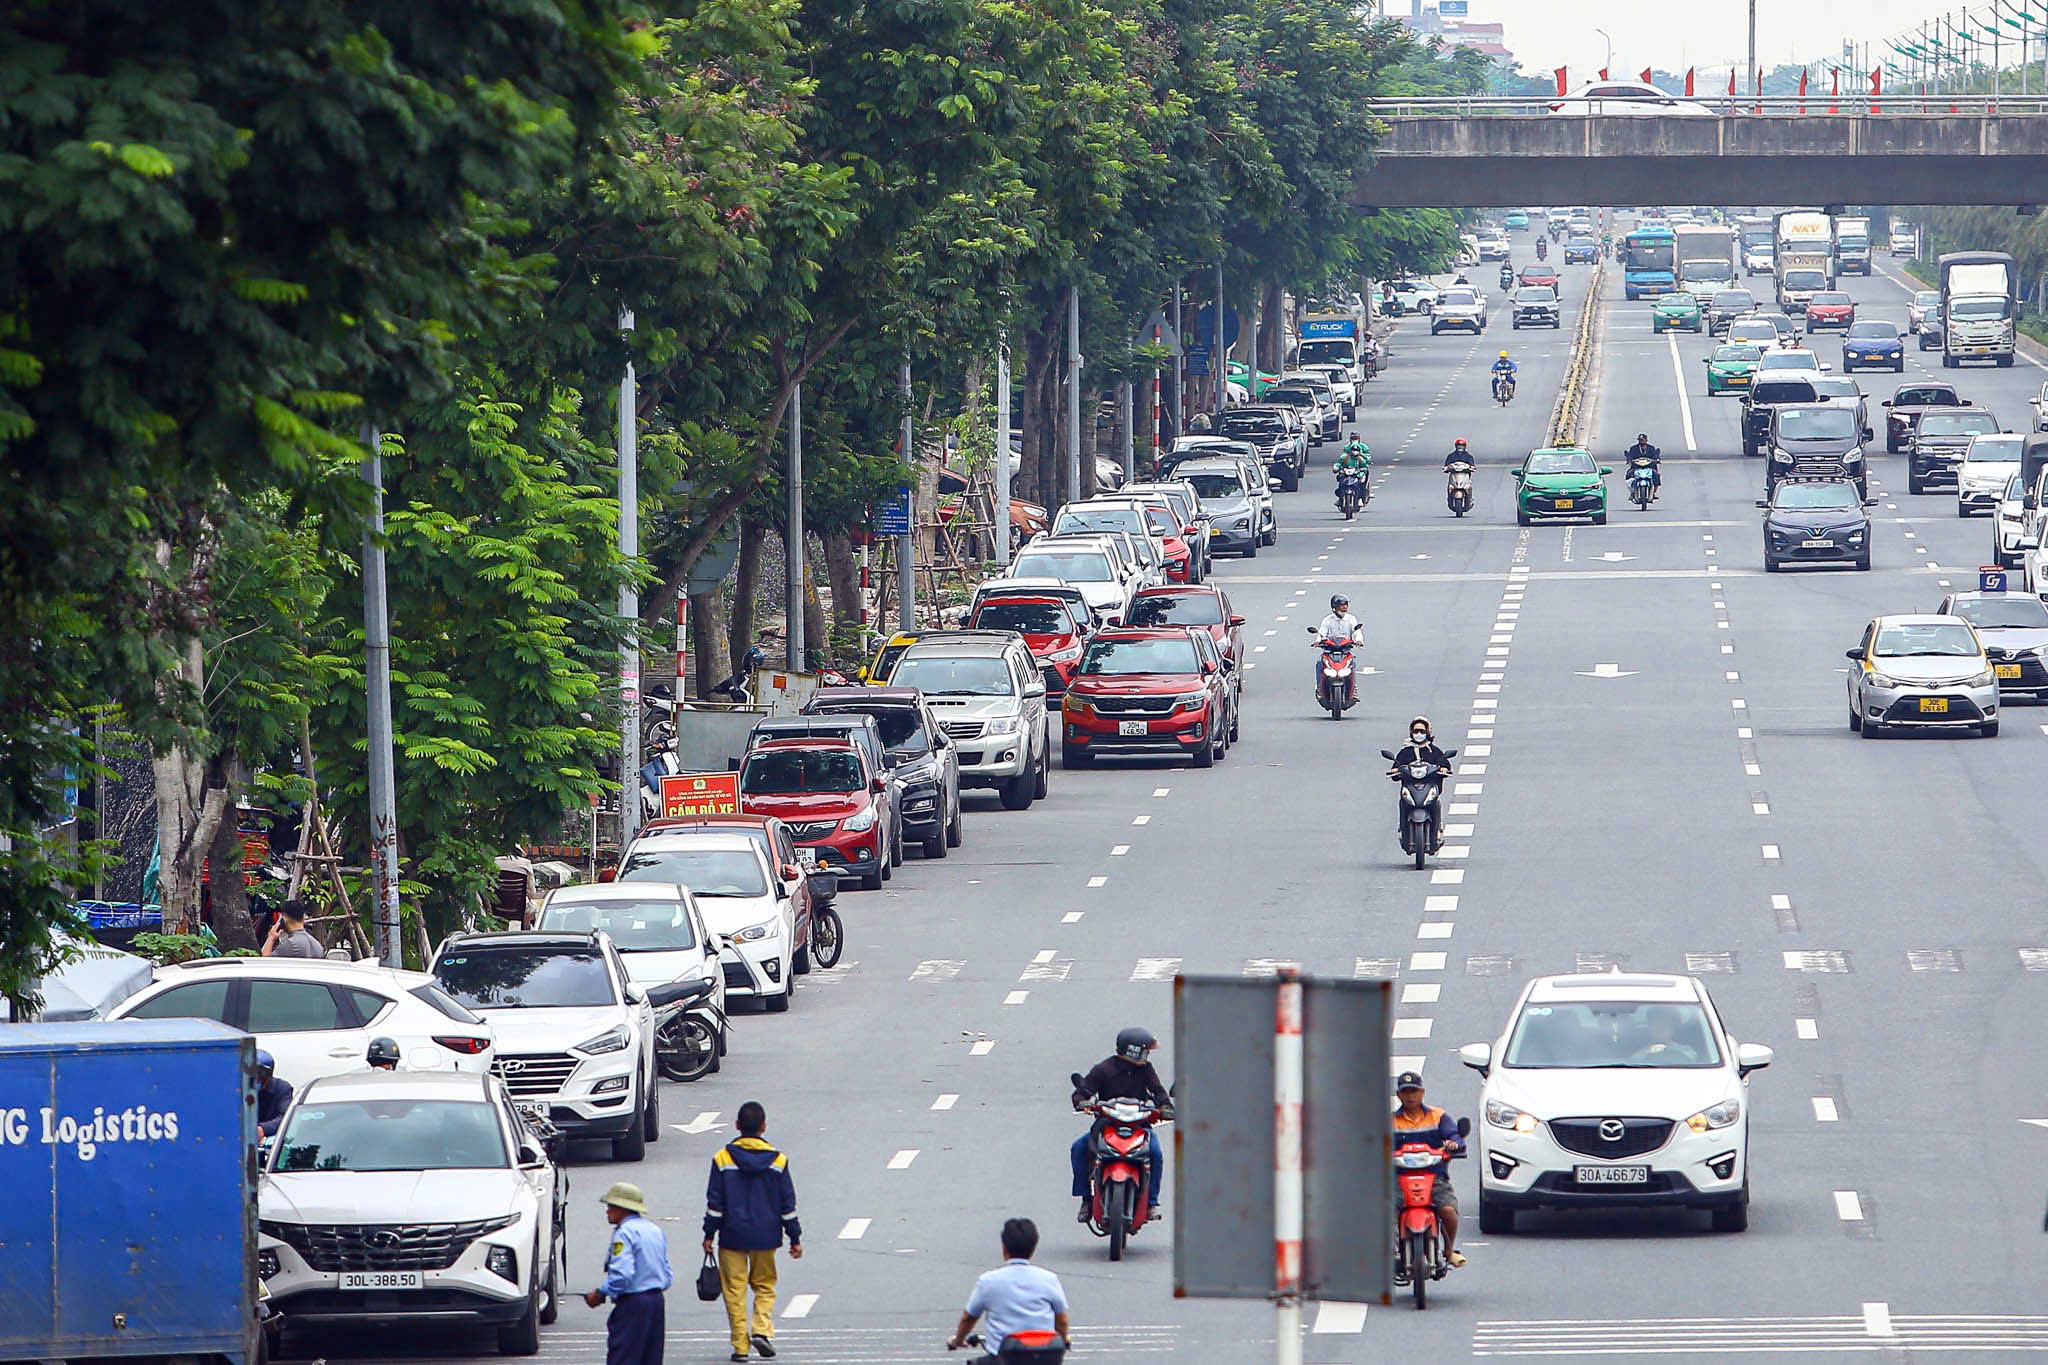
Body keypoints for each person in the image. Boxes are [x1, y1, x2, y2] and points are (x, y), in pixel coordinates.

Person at [703, 1101, 803, 1362]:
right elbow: (787, 1204)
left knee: (734, 1290)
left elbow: (715, 1204)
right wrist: (794, 1237)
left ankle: (741, 1346)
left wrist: (708, 1235)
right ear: (763, 1127)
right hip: (766, 1236)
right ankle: (761, 1329)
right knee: (765, 1285)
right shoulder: (778, 1161)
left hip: (731, 1236)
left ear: (737, 1126)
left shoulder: (722, 1158)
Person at [1070, 1027, 1171, 1222]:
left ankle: (1151, 1203)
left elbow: (1159, 1093)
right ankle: (1086, 1199)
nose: (1147, 1054)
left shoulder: (1146, 1070)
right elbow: (1082, 1092)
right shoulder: (1103, 1069)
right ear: (1133, 1050)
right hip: (1107, 1124)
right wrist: (1083, 1102)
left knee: (1156, 1153)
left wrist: (1166, 1107)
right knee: (1079, 1148)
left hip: (1139, 1125)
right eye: (1145, 1050)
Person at [947, 1218, 1071, 1356]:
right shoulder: (1049, 1279)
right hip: (1044, 1355)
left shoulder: (988, 1281)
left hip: (1003, 1357)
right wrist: (1064, 1339)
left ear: (1004, 1248)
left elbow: (969, 1318)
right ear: (1033, 1247)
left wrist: (958, 1340)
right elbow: (1061, 1320)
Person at [585, 1181, 672, 1365]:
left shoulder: (624, 1234)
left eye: (610, 1206)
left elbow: (622, 1276)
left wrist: (601, 1293)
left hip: (633, 1304)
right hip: (656, 1302)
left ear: (622, 1208)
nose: (607, 1211)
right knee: (651, 1358)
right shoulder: (655, 1231)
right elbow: (666, 1271)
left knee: (624, 1357)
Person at [1392, 1071, 1465, 1269]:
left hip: (1434, 1177)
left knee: (1448, 1211)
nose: (1410, 1096)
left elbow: (1455, 1136)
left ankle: (1449, 1251)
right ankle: (1390, 1252)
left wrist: (1453, 1144)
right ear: (1399, 1095)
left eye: (1414, 1091)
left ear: (1422, 1092)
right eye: (1405, 1092)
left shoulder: (1438, 1116)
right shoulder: (1390, 1121)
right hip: (1399, 1180)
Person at [1389, 718, 1453, 846]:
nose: (1419, 734)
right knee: (1403, 803)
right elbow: (1396, 767)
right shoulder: (1406, 751)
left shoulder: (1433, 751)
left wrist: (1444, 768)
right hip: (1410, 787)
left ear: (1428, 733)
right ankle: (1403, 830)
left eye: (1422, 731)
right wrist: (1396, 770)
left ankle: (1437, 831)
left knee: (1435, 804)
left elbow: (1443, 762)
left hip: (1429, 788)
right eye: (1416, 731)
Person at [1311, 594, 1365, 693]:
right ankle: (1319, 688)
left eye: (1346, 605)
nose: (1344, 607)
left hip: (1345, 649)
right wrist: (1317, 641)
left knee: (1352, 663)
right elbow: (1321, 632)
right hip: (1329, 649)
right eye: (1342, 605)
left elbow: (1356, 631)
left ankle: (1354, 689)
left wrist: (1359, 641)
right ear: (1334, 607)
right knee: (1319, 663)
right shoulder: (1327, 620)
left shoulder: (1351, 619)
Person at [254, 1050, 292, 1140]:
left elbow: (286, 1118)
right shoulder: (237, 1090)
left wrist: (263, 1129)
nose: (256, 1080)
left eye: (260, 1075)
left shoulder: (282, 1089)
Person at [1625, 432, 1662, 500]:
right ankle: (1632, 492)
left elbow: (1655, 455)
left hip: (1649, 467)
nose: (1641, 441)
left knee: (1656, 475)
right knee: (1629, 474)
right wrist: (1629, 460)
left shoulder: (1651, 448)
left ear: (1646, 440)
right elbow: (1630, 456)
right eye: (1640, 440)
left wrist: (1657, 459)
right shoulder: (1634, 448)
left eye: (1642, 440)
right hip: (1636, 467)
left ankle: (1654, 492)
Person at [1333, 439, 1371, 506]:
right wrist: (1336, 468)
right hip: (1346, 474)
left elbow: (1364, 467)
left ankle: (1360, 499)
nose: (1355, 452)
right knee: (1340, 480)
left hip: (1356, 475)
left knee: (1361, 484)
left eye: (1356, 450)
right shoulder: (1345, 457)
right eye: (1353, 450)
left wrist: (1361, 472)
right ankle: (1340, 498)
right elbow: (1339, 463)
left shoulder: (1360, 458)